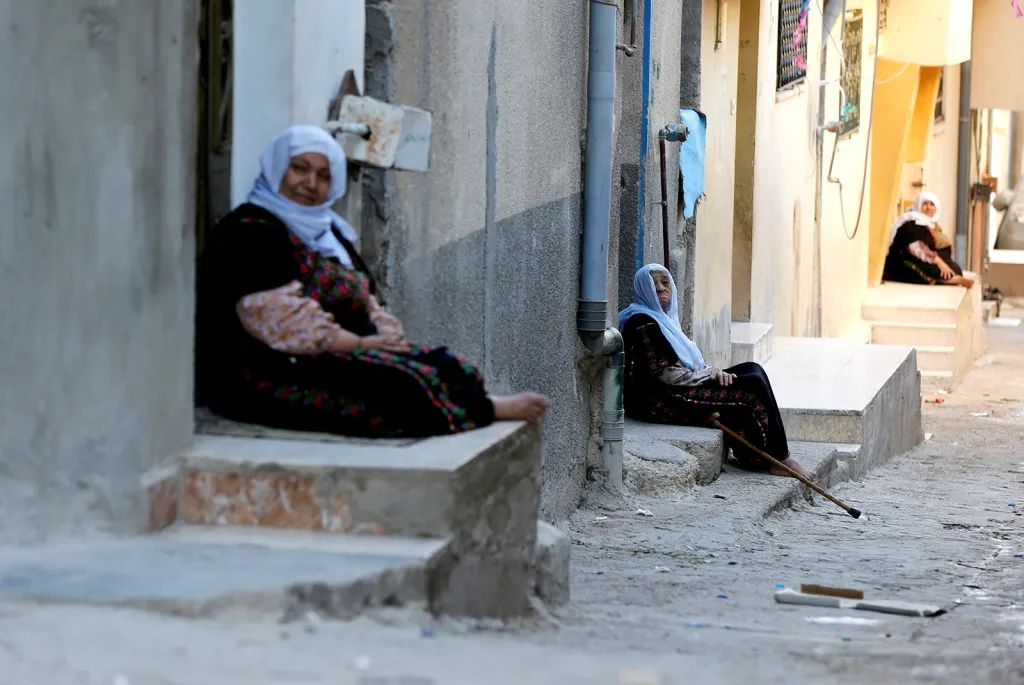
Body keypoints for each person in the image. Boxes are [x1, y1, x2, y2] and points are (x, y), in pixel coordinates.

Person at [197, 125, 548, 437]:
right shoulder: (250, 232)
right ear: (277, 170)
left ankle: (484, 405)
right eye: (299, 168)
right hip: (264, 370)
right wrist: (365, 345)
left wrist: (386, 335)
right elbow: (282, 321)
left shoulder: (326, 231)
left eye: (323, 175)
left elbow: (364, 296)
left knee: (447, 364)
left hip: (334, 353)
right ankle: (488, 410)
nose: (310, 184)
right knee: (403, 385)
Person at [619, 264, 815, 481]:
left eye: (665, 282)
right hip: (660, 400)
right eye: (652, 284)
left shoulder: (664, 320)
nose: (660, 288)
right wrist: (709, 374)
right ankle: (779, 458)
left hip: (678, 387)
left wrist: (711, 373)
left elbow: (687, 367)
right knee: (751, 387)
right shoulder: (641, 322)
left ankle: (766, 454)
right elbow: (666, 375)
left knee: (753, 369)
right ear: (642, 290)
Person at [884, 191, 974, 287]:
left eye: (932, 204)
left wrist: (943, 262)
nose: (929, 207)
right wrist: (939, 262)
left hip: (924, 258)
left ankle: (952, 278)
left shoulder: (931, 224)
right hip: (905, 260)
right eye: (925, 204)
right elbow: (917, 249)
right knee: (928, 270)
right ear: (918, 206)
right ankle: (950, 280)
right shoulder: (912, 223)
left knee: (954, 269)